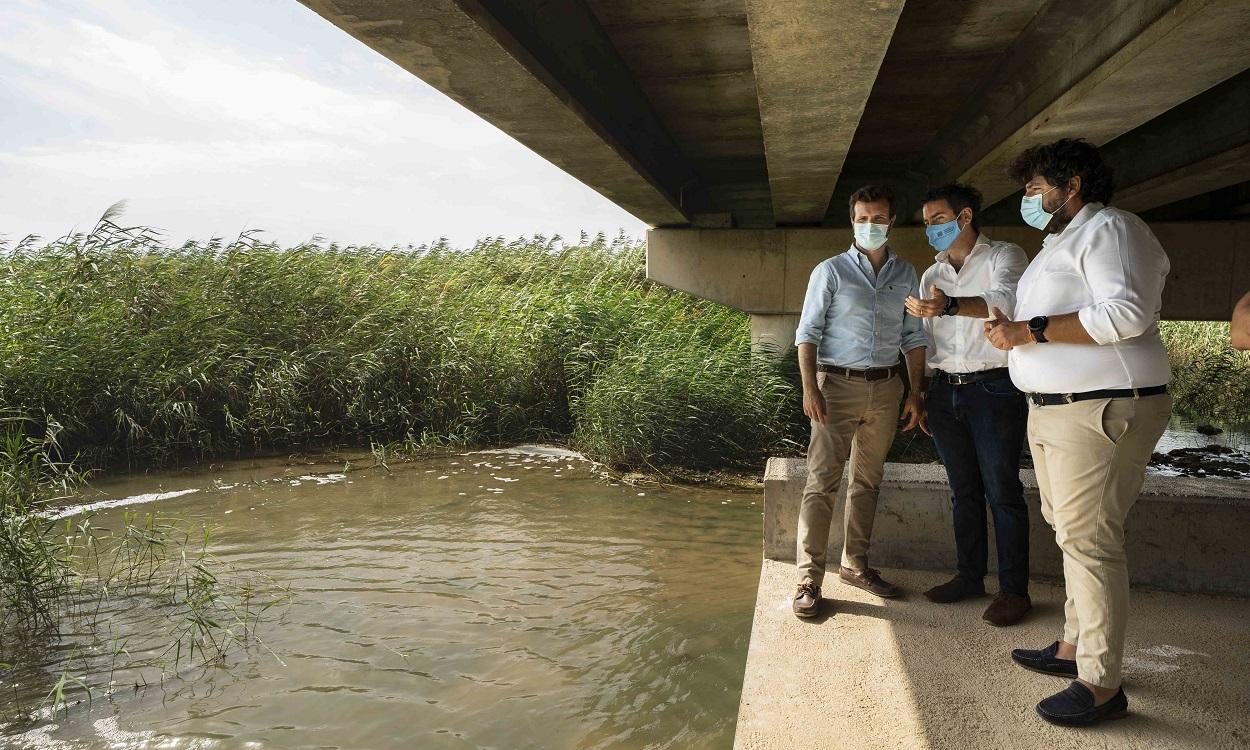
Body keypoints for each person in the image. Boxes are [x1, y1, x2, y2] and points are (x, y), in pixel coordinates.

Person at [984, 138, 1172, 727]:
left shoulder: (1110, 230)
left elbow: (1125, 313)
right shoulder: (1062, 241)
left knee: (1089, 541)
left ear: (1073, 187)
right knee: (1074, 532)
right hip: (1063, 406)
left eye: (1036, 188)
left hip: (1099, 406)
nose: (1029, 199)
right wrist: (1017, 334)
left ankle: (1100, 683)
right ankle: (1073, 648)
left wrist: (1031, 332)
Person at [791, 184, 927, 619]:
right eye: (863, 218)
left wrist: (916, 392)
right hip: (836, 386)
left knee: (868, 481)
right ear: (853, 221)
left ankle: (855, 564)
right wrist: (811, 388)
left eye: (879, 218)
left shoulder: (906, 274)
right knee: (822, 481)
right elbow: (807, 333)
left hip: (888, 388)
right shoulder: (830, 272)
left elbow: (913, 337)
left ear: (891, 221)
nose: (871, 225)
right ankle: (808, 579)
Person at [905, 183, 1032, 626]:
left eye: (938, 220)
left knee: (1003, 490)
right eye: (926, 223)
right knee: (962, 490)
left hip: (995, 387)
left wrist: (953, 305)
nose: (931, 229)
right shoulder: (931, 275)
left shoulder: (1004, 256)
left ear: (964, 217)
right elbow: (922, 339)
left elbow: (1007, 302)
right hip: (944, 390)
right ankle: (970, 577)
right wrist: (918, 392)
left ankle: (1014, 591)